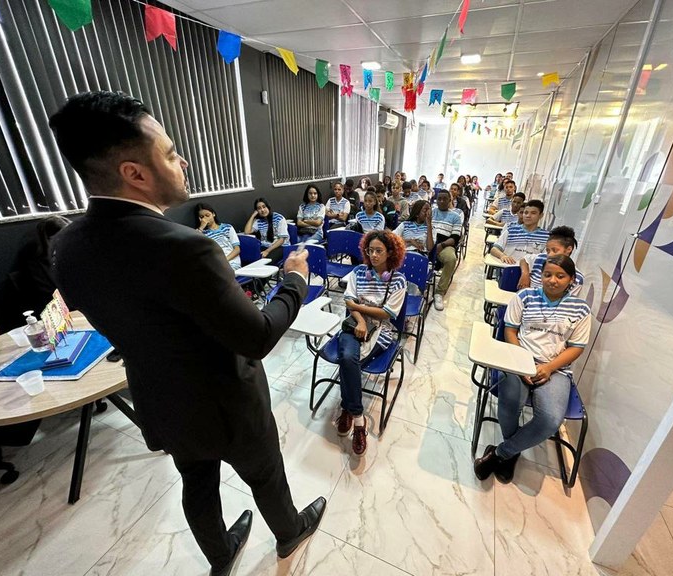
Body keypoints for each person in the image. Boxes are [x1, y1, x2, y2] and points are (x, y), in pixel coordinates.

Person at [48, 91, 325, 576]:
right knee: (264, 474)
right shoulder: (186, 248)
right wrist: (294, 283)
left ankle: (220, 556)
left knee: (196, 482)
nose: (184, 161)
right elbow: (256, 336)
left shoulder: (66, 246)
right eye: (172, 153)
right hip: (228, 402)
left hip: (160, 399)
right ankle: (289, 533)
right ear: (134, 172)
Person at [474, 254, 591, 484]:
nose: (552, 280)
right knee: (509, 402)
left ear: (571, 279)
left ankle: (501, 454)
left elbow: (576, 347)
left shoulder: (580, 309)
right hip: (519, 361)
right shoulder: (525, 296)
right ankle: (511, 453)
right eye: (547, 274)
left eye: (560, 276)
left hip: (556, 370)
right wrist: (523, 363)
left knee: (550, 419)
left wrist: (547, 368)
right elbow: (510, 331)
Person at [336, 230, 407, 456]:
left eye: (379, 251)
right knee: (348, 358)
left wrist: (358, 307)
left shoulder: (397, 280)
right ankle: (358, 419)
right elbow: (347, 299)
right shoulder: (358, 272)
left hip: (382, 331)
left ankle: (347, 407)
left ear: (390, 253)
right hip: (354, 324)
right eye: (370, 250)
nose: (374, 255)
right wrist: (359, 319)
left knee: (349, 361)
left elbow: (387, 314)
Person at [519, 226, 584, 296]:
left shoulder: (577, 278)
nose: (550, 255)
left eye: (555, 250)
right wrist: (525, 274)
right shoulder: (541, 258)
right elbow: (524, 260)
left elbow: (567, 301)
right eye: (548, 250)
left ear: (568, 249)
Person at [431, 190, 463, 311]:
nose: (441, 201)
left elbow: (455, 238)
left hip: (445, 244)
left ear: (450, 200)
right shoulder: (431, 212)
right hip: (429, 242)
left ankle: (439, 292)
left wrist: (441, 245)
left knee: (451, 259)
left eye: (445, 199)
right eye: (439, 199)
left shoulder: (455, 216)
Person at [489, 199, 549, 264]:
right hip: (509, 269)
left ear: (541, 215)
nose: (528, 216)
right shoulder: (511, 231)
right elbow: (494, 249)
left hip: (531, 272)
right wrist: (502, 256)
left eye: (533, 213)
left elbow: (546, 259)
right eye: (525, 213)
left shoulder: (546, 237)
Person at [195, 203, 241, 272]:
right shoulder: (201, 233)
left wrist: (224, 260)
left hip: (231, 261)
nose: (205, 219)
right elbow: (195, 246)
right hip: (214, 264)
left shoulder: (227, 227)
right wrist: (201, 227)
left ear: (213, 214)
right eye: (202, 217)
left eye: (207, 215)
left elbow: (237, 249)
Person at [245, 198, 289, 265]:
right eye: (259, 208)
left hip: (280, 247)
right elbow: (247, 231)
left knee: (266, 262)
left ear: (268, 207)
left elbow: (281, 240)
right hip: (265, 246)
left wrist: (267, 251)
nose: (262, 210)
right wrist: (253, 216)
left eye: (264, 207)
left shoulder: (279, 218)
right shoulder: (259, 221)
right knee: (250, 258)